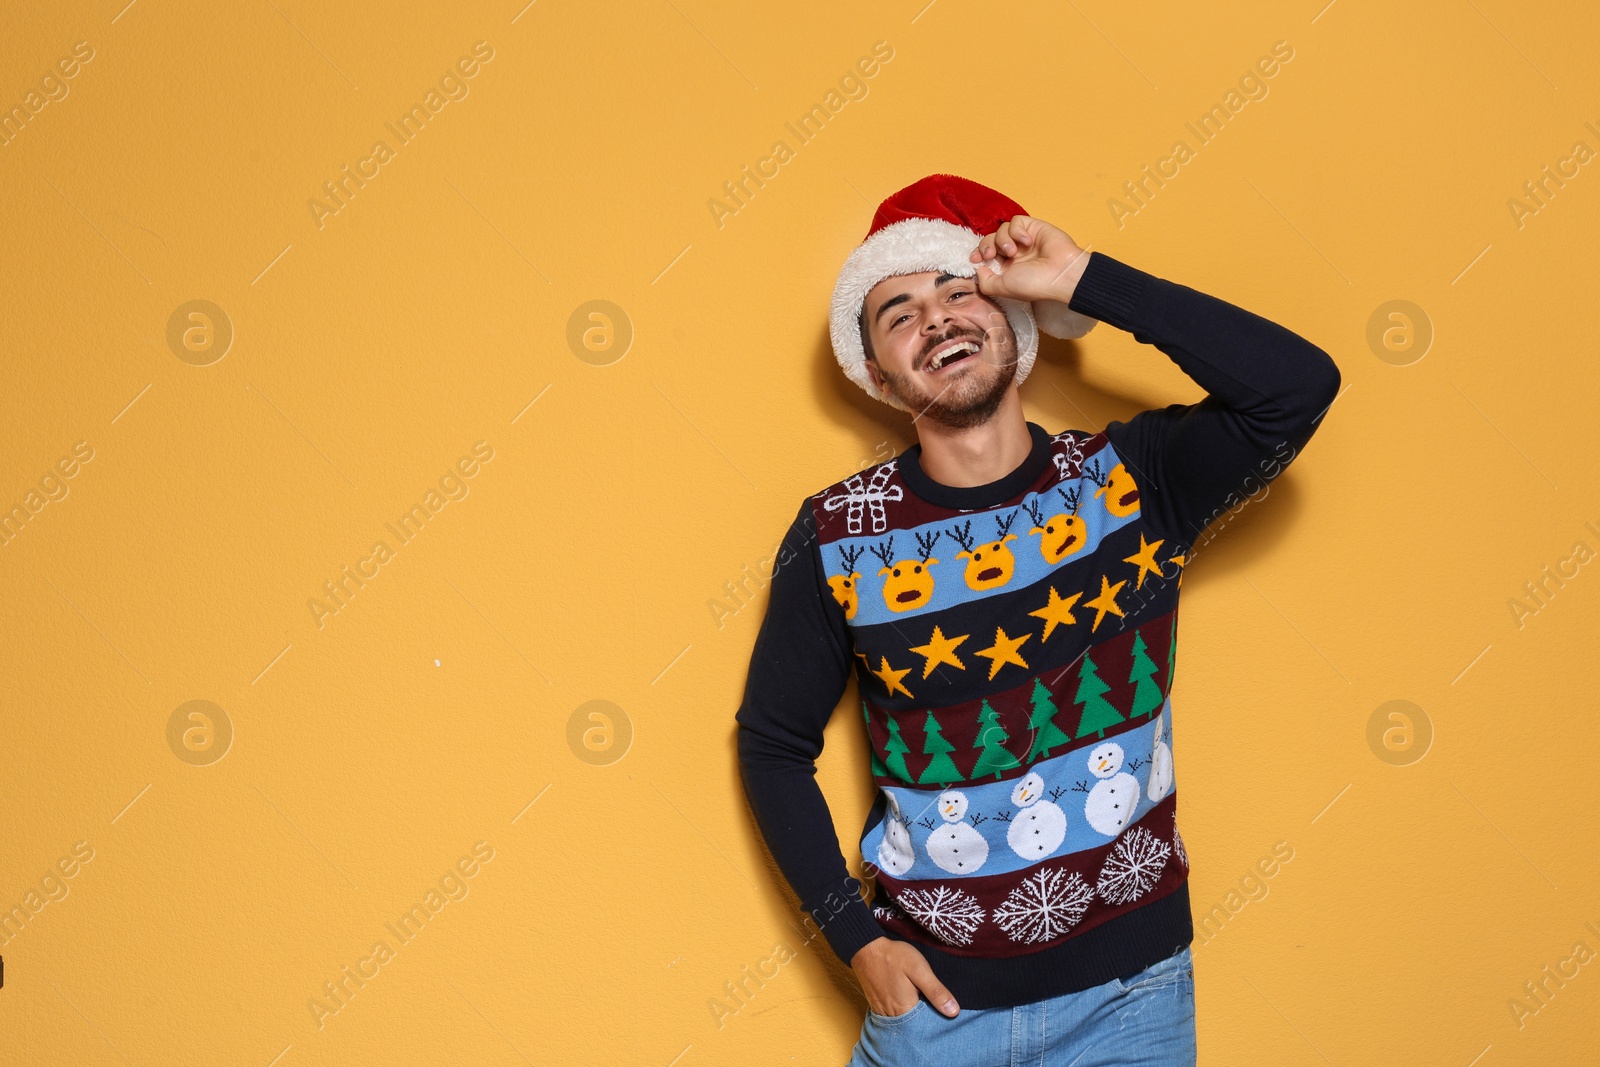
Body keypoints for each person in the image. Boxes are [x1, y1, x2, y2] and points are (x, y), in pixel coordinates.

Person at [734, 173, 1340, 1066]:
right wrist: (855, 941)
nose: (935, 317)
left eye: (957, 291)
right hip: (936, 1017)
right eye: (896, 312)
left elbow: (1297, 385)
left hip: (1134, 1003)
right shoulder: (836, 533)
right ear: (874, 370)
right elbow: (772, 744)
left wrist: (1084, 279)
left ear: (1012, 324)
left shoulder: (1129, 481)